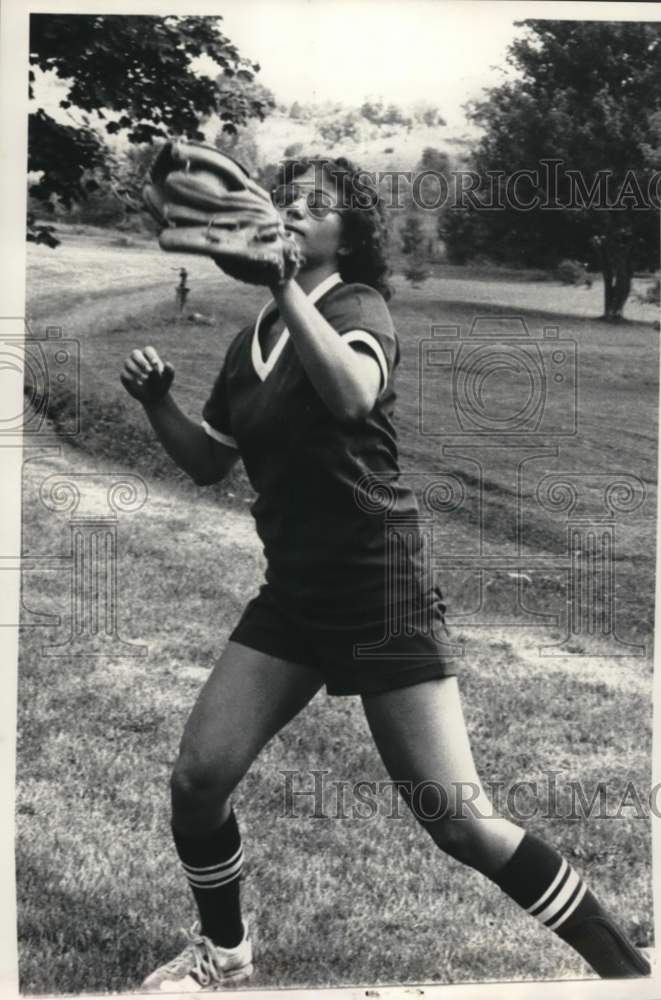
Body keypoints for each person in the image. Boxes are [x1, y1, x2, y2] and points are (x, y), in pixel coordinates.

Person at [121, 156, 650, 990]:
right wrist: (157, 404)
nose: (296, 211)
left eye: (317, 205)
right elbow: (207, 466)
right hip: (293, 595)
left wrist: (285, 287)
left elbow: (352, 396)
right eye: (286, 200)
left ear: (349, 236)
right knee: (198, 779)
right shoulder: (247, 342)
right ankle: (224, 956)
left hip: (377, 589)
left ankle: (627, 973)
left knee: (457, 821)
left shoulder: (356, 309)